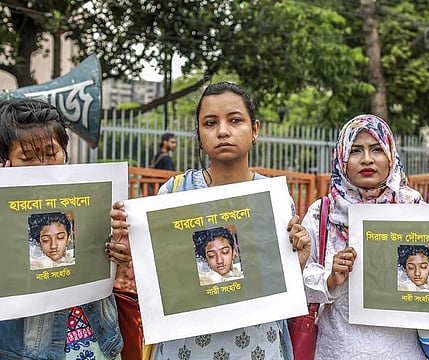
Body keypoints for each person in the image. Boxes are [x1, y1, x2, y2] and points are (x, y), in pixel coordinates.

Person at [109, 81, 311, 359]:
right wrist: (132, 250)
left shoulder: (274, 199)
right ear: (199, 133)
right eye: (210, 123)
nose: (223, 131)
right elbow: (161, 277)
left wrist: (295, 264)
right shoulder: (173, 193)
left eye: (235, 120)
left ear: (255, 130)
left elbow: (274, 283)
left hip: (257, 345)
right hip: (186, 347)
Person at [0, 98, 130, 359]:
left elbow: (106, 264)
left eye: (51, 154)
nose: (43, 167)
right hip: (29, 351)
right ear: (6, 162)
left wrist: (119, 255)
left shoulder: (94, 197)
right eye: (27, 158)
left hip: (99, 340)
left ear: (65, 152)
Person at [302, 114, 426, 359]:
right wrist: (330, 279)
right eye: (356, 150)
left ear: (390, 155)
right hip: (338, 350)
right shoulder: (321, 214)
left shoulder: (414, 207)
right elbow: (299, 282)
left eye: (377, 149)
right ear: (342, 157)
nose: (367, 159)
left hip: (403, 350)